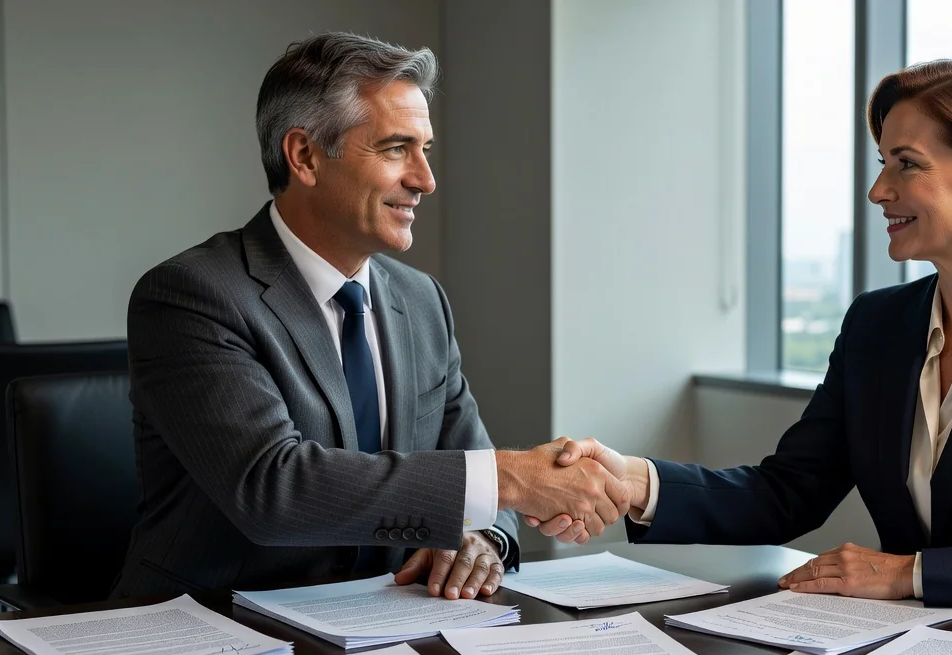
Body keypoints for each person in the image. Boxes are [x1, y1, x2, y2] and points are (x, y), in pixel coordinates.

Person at [544, 56, 952, 624]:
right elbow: (787, 493)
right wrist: (635, 483)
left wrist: (907, 574)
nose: (878, 191)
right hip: (916, 654)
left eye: (907, 164)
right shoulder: (878, 326)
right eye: (882, 164)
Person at [113, 33, 625, 601]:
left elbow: (476, 478)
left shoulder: (422, 301)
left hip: (386, 619)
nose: (425, 179)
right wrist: (511, 478)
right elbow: (272, 490)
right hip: (217, 627)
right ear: (305, 156)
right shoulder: (191, 295)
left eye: (425, 149)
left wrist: (480, 537)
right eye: (396, 149)